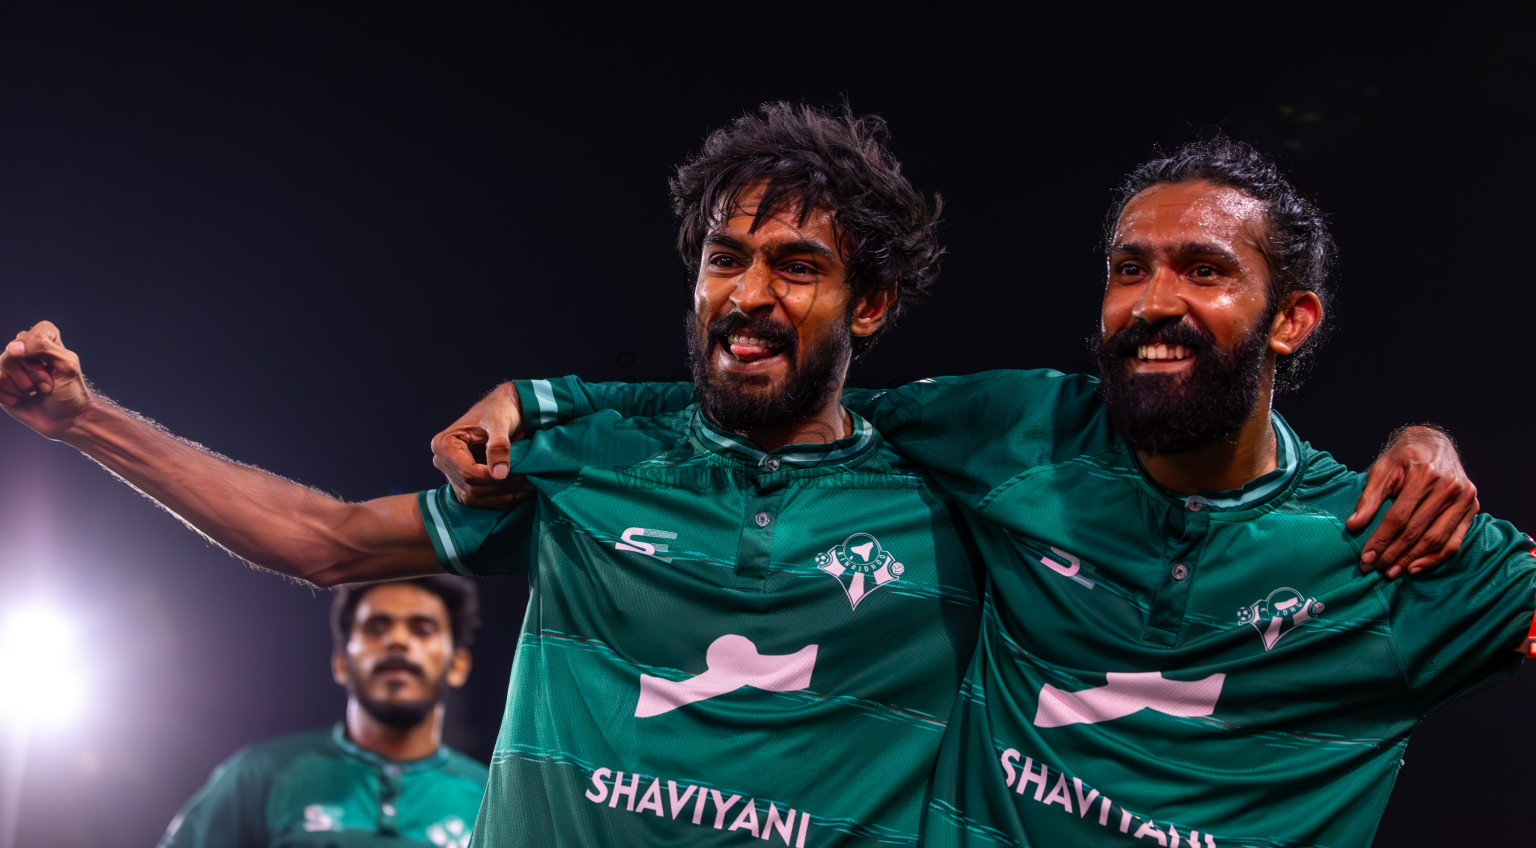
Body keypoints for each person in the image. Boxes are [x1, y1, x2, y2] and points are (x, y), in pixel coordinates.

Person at [0, 109, 1473, 847]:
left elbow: (1173, 464)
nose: (749, 291)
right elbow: (326, 539)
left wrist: (1416, 447)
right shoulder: (579, 456)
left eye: (797, 264)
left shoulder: (956, 485)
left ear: (870, 309)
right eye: (725, 257)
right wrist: (86, 424)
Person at [472, 133, 1523, 847]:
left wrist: (1430, 440)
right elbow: (781, 387)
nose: (1153, 302)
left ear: (1291, 319)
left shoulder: (1384, 541)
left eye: (1202, 270)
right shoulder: (1016, 430)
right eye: (1127, 268)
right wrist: (555, 398)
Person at [157, 577, 487, 847]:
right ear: (341, 662)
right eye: (376, 627)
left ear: (458, 665)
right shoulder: (259, 774)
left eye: (423, 629)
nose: (398, 640)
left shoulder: (495, 799)